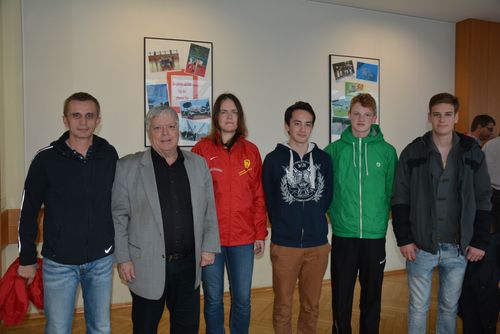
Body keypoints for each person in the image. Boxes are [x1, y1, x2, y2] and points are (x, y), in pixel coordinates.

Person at [112, 106, 220, 334]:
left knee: (187, 328)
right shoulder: (127, 167)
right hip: (145, 266)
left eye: (170, 127)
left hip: (189, 266)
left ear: (178, 130)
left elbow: (209, 210)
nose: (165, 134)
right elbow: (119, 217)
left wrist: (209, 247)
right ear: (149, 132)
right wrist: (123, 258)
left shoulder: (198, 165)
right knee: (145, 327)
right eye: (158, 128)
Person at [17, 92, 118, 333]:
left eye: (89, 116)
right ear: (65, 120)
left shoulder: (109, 154)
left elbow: (119, 204)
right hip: (59, 263)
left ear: (98, 120)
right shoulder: (46, 159)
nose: (83, 122)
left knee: (100, 328)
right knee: (58, 329)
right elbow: (28, 210)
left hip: (101, 261)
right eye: (76, 116)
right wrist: (27, 258)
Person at [391, 92, 492, 334]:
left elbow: (483, 198)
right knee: (418, 305)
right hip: (421, 247)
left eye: (448, 114)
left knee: (449, 306)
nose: (442, 120)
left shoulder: (472, 153)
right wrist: (404, 238)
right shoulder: (413, 151)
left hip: (459, 247)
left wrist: (479, 240)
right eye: (437, 115)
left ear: (456, 117)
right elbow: (400, 198)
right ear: (429, 117)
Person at [192, 93, 268, 334]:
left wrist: (259, 233)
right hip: (211, 241)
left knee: (243, 299)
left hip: (243, 239)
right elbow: (194, 197)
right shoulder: (201, 150)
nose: (229, 116)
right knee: (213, 299)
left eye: (234, 112)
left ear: (239, 117)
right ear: (216, 116)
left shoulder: (251, 151)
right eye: (224, 111)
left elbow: (258, 195)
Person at [324, 93, 397, 334]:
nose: (361, 119)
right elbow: (326, 193)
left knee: (372, 295)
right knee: (341, 294)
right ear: (349, 116)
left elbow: (391, 192)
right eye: (356, 114)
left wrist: (378, 218)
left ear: (374, 117)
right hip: (344, 234)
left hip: (374, 236)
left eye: (366, 115)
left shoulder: (387, 152)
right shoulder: (333, 151)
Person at [262, 101, 332, 334]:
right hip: (285, 245)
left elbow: (327, 196)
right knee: (283, 306)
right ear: (287, 126)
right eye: (297, 123)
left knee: (311, 305)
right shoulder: (273, 160)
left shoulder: (323, 159)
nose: (303, 129)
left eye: (308, 124)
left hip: (317, 245)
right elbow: (269, 198)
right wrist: (283, 224)